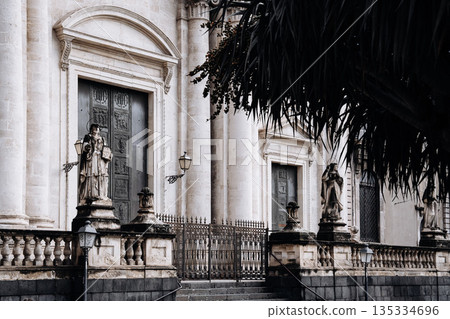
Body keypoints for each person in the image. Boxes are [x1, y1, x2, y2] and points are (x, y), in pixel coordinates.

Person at [79, 124, 112, 204]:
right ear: (91, 129)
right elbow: (85, 148)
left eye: (97, 128)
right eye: (95, 128)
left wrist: (108, 154)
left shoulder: (102, 138)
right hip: (92, 158)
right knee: (92, 174)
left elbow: (105, 149)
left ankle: (101, 194)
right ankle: (92, 194)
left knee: (101, 175)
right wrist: (88, 148)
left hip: (100, 159)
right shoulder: (88, 137)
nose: (96, 129)